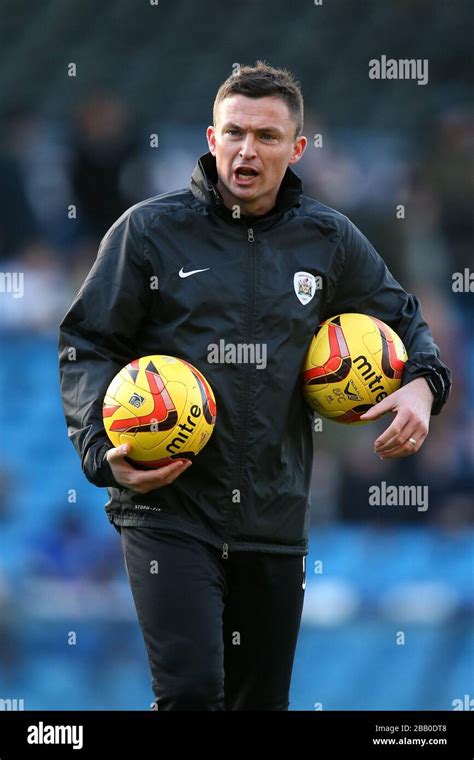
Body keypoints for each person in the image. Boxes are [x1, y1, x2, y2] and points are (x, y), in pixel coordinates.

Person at [58, 62, 451, 711]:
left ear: (296, 149)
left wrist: (421, 386)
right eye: (234, 132)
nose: (247, 149)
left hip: (273, 515)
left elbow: (405, 322)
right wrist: (105, 455)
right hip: (168, 510)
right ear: (211, 141)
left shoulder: (328, 240)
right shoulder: (147, 232)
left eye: (267, 136)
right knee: (189, 695)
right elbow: (86, 344)